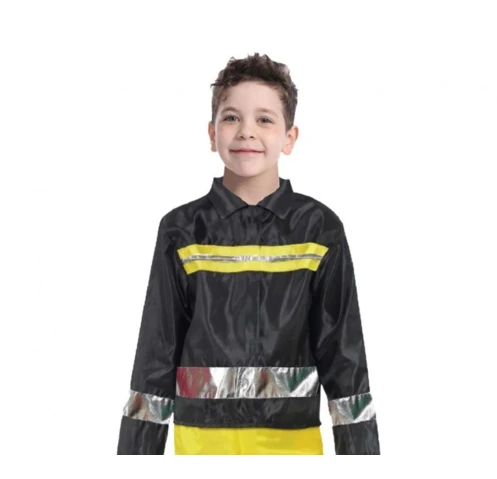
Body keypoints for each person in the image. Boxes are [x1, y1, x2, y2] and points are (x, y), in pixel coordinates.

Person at [116, 52, 380, 455]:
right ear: (212, 134)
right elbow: (156, 351)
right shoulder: (181, 230)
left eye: (265, 119)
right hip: (200, 443)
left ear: (289, 137)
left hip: (292, 443)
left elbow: (345, 355)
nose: (246, 132)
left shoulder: (319, 228)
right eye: (231, 117)